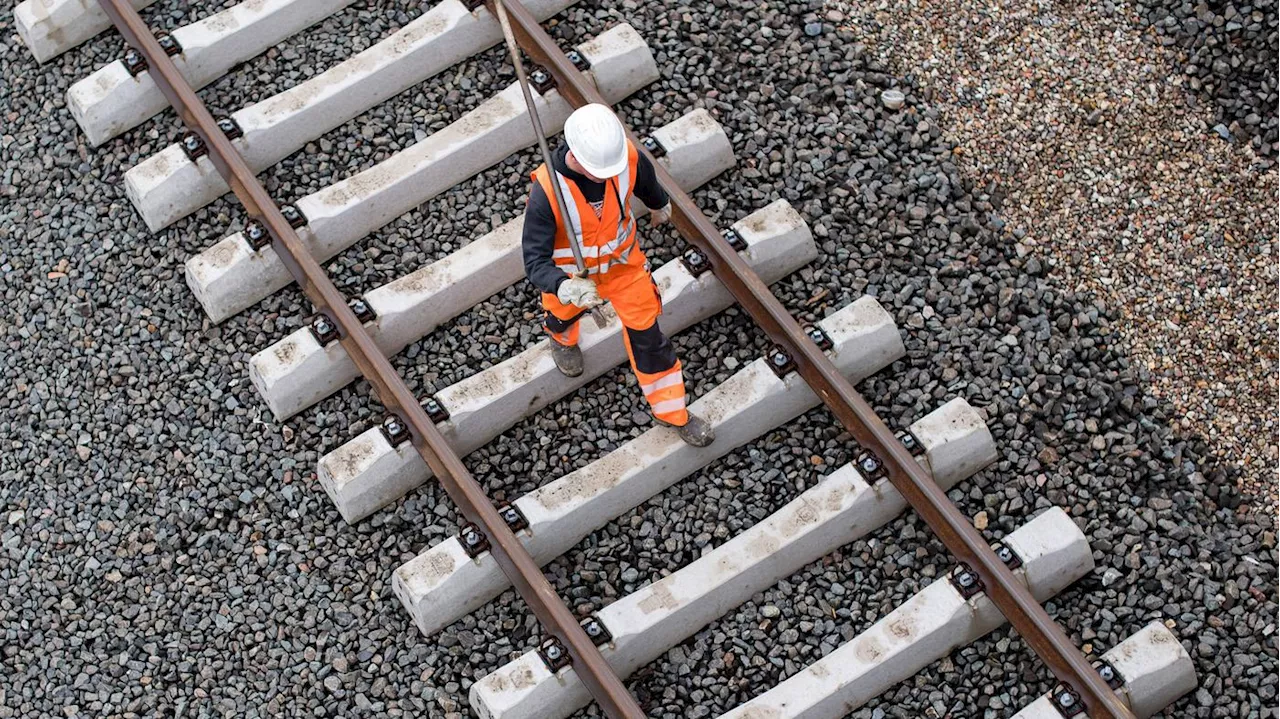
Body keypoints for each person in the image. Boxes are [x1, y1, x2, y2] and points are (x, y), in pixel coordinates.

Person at [521, 104, 714, 447]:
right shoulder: (548, 193)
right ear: (576, 157)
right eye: (598, 171)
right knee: (561, 315)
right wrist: (563, 286)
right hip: (573, 279)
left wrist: (658, 203)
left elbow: (644, 180)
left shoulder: (623, 157)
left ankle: (673, 412)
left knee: (650, 338)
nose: (607, 175)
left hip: (624, 269)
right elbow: (534, 261)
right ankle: (561, 338)